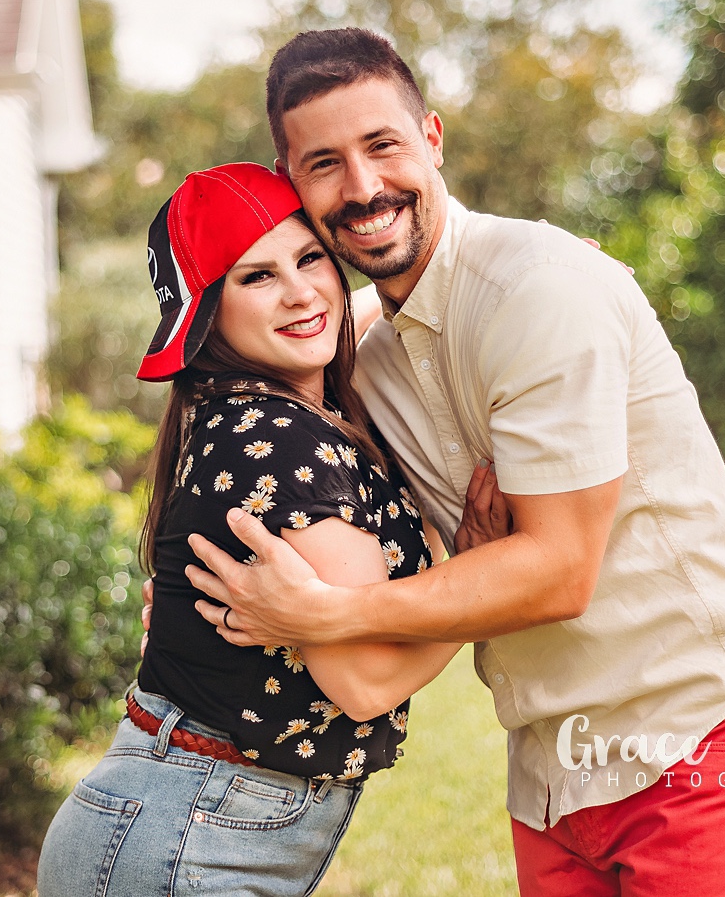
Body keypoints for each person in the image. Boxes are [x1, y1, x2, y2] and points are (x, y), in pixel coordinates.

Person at [183, 30, 725, 897]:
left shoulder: (540, 288)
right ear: (290, 181)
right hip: (550, 769)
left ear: (433, 138)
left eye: (382, 145)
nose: (363, 187)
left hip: (692, 729)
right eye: (324, 163)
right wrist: (185, 598)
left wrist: (323, 614)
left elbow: (559, 571)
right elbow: (253, 414)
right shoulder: (359, 347)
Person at [36, 162, 507, 897]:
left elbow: (354, 307)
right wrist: (479, 573)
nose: (300, 292)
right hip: (187, 838)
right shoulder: (279, 442)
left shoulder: (249, 409)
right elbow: (364, 681)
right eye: (256, 276)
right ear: (209, 315)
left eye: (310, 258)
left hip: (183, 818)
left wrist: (517, 275)